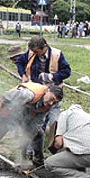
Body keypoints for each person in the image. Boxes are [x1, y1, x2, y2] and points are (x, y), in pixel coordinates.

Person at [0, 82, 63, 171]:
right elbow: (4, 98)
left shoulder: (49, 105)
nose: (51, 103)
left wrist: (25, 140)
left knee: (38, 133)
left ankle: (37, 160)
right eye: (51, 99)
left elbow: (36, 124)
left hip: (24, 114)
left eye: (54, 102)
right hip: (6, 111)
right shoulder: (28, 94)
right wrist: (5, 117)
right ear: (47, 91)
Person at [16, 36, 71, 166]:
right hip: (36, 96)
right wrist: (22, 74)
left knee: (54, 124)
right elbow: (19, 61)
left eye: (37, 52)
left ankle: (59, 156)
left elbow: (67, 71)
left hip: (53, 96)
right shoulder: (31, 53)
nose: (34, 54)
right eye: (33, 52)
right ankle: (31, 152)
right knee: (34, 124)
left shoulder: (57, 55)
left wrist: (52, 76)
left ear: (44, 47)